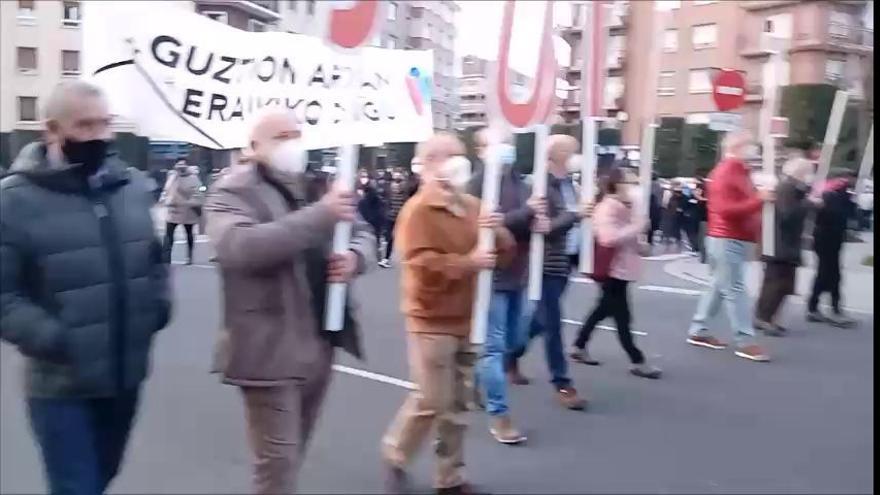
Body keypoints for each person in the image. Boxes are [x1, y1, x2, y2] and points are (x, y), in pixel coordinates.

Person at [0, 80, 171, 494]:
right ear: (52, 131)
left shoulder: (132, 188)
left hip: (123, 378)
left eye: (105, 124)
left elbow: (153, 261)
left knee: (101, 478)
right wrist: (59, 340)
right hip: (61, 385)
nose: (99, 136)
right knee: (77, 488)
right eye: (85, 126)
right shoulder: (14, 201)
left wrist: (157, 306)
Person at [206, 109, 376, 494]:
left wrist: (354, 258)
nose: (292, 143)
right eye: (281, 136)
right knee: (277, 464)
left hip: (319, 339)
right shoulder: (232, 190)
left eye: (296, 134)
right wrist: (322, 215)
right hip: (268, 345)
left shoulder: (317, 185)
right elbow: (241, 248)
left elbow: (362, 230)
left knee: (293, 454)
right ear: (253, 146)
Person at [382, 132, 514, 495]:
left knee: (458, 403)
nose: (457, 161)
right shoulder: (419, 210)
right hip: (430, 319)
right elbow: (422, 265)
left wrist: (498, 234)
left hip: (467, 318)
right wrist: (469, 263)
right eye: (446, 156)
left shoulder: (474, 206)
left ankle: (451, 477)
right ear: (427, 165)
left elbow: (502, 253)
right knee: (431, 399)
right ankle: (396, 453)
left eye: (459, 154)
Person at [467, 129, 541, 444]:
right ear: (480, 150)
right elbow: (482, 226)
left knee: (515, 339)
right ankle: (499, 416)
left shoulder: (523, 184)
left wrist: (540, 220)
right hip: (491, 279)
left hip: (519, 274)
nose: (505, 149)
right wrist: (525, 214)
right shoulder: (475, 185)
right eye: (498, 143)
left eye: (509, 143)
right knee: (495, 347)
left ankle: (473, 377)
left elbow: (526, 221)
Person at [510, 134, 588, 411]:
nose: (577, 157)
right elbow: (543, 227)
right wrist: (576, 214)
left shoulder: (572, 184)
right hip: (543, 263)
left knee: (541, 321)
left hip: (565, 260)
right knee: (553, 322)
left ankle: (509, 356)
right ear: (556, 155)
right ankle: (562, 383)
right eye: (572, 151)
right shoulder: (539, 185)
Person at [686, 131, 774, 362]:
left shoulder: (739, 173)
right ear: (739, 147)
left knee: (719, 286)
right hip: (727, 238)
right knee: (735, 289)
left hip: (733, 238)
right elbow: (725, 210)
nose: (754, 150)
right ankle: (745, 341)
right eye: (751, 145)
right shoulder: (727, 173)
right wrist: (759, 199)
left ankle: (699, 329)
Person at [570, 167, 662, 379]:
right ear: (617, 184)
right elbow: (608, 238)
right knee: (622, 317)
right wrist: (637, 228)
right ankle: (636, 359)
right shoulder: (607, 207)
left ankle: (579, 345)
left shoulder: (625, 206)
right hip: (612, 268)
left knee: (603, 310)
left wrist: (641, 243)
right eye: (629, 182)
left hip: (622, 268)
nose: (633, 187)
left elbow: (629, 237)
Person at [753, 158, 817, 336]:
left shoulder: (792, 189)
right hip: (779, 244)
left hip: (783, 243)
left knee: (784, 285)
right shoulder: (786, 189)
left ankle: (768, 317)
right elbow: (788, 215)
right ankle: (763, 317)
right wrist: (809, 204)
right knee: (775, 284)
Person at [806, 172, 858, 327]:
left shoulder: (836, 193)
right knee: (827, 274)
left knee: (831, 274)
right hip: (826, 239)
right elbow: (836, 215)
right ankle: (825, 308)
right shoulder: (831, 194)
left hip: (831, 239)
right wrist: (850, 202)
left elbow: (847, 215)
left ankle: (821, 307)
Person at [161, 159, 203, 264]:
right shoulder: (172, 177)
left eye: (182, 164)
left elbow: (198, 193)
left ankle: (189, 256)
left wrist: (190, 202)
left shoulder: (193, 178)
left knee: (189, 233)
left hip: (187, 211)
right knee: (168, 236)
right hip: (173, 210)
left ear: (187, 166)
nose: (180, 166)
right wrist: (166, 200)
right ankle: (166, 258)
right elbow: (167, 191)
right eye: (178, 164)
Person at [380, 168, 409, 268]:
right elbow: (387, 201)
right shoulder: (390, 187)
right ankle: (386, 258)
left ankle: (407, 257)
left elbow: (406, 201)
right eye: (395, 175)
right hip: (391, 217)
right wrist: (387, 211)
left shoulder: (405, 188)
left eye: (399, 175)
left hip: (401, 217)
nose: (396, 177)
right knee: (390, 238)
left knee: (404, 238)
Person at [357, 169, 385, 253]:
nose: (363, 179)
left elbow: (376, 208)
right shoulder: (354, 190)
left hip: (371, 222)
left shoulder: (372, 191)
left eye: (365, 176)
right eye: (362, 176)